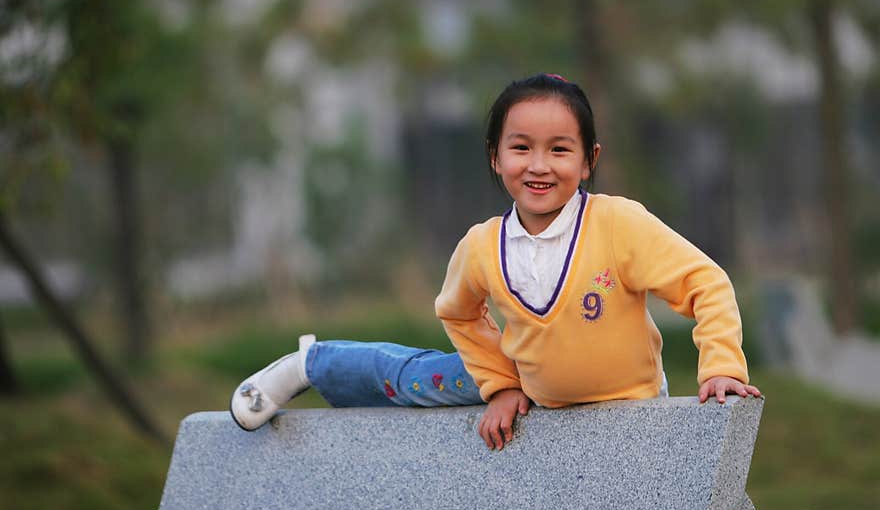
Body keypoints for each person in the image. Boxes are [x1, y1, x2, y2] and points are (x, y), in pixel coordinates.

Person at [230, 73, 762, 450]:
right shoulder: (482, 246)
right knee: (409, 379)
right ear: (494, 156)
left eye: (559, 149)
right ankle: (310, 364)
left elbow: (705, 283)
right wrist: (502, 385)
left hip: (631, 397)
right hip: (524, 379)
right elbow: (458, 312)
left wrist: (720, 368)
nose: (538, 166)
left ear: (589, 159)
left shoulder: (618, 224)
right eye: (520, 148)